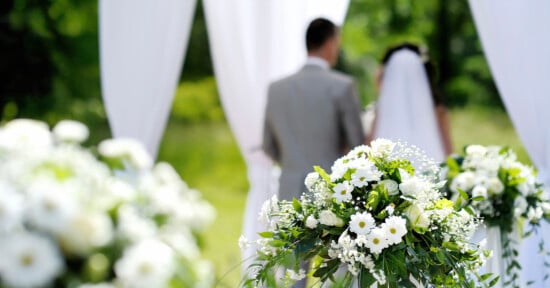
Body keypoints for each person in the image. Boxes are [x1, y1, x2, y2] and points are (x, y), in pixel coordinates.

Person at [262, 18, 365, 287]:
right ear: (330, 43)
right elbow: (358, 147)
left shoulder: (277, 89)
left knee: (292, 273)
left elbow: (268, 145)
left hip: (290, 189)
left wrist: (294, 164)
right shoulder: (342, 86)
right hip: (334, 193)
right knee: (342, 269)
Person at [368, 43, 452, 161]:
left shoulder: (382, 109)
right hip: (430, 165)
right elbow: (447, 147)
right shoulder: (438, 110)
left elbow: (370, 145)